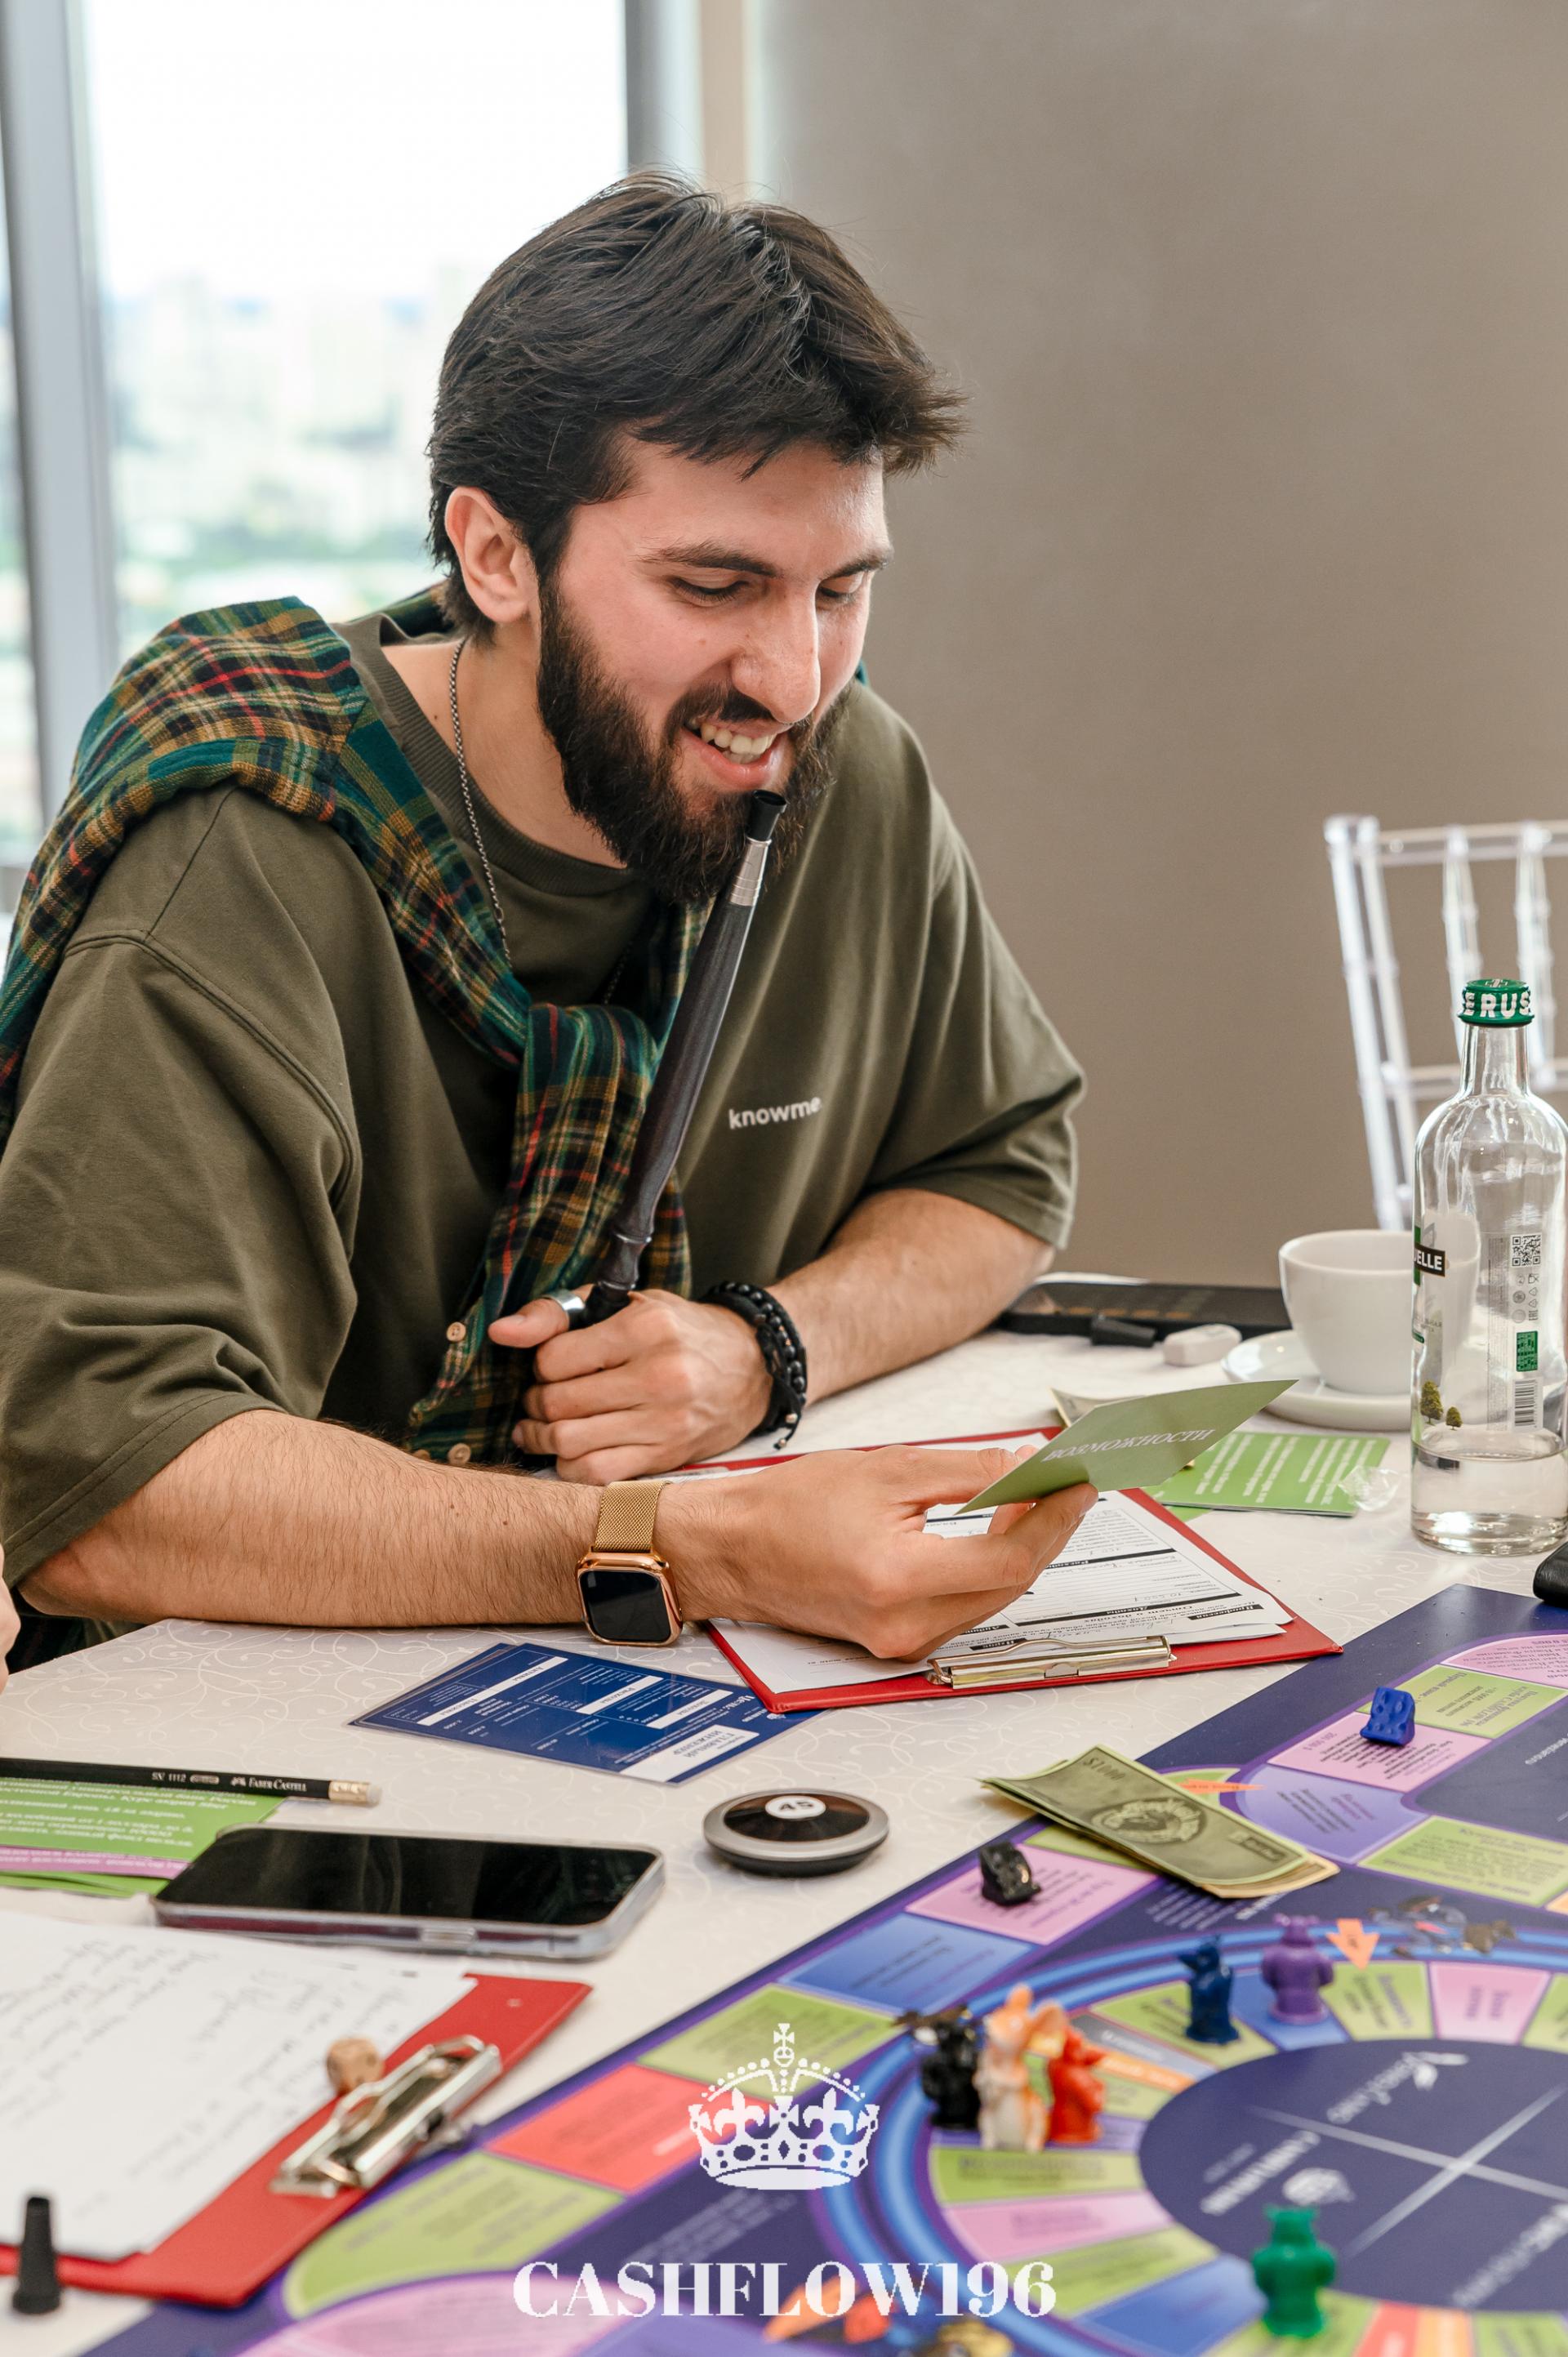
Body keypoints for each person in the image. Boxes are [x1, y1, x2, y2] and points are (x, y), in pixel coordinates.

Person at [0, 176, 1088, 1659]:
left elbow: (1002, 1167)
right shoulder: (239, 849)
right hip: (255, 1717)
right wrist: (683, 1546)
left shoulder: (839, 770)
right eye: (714, 584)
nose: (791, 680)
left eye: (840, 590)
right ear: (497, 553)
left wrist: (762, 1347)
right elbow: (91, 1482)